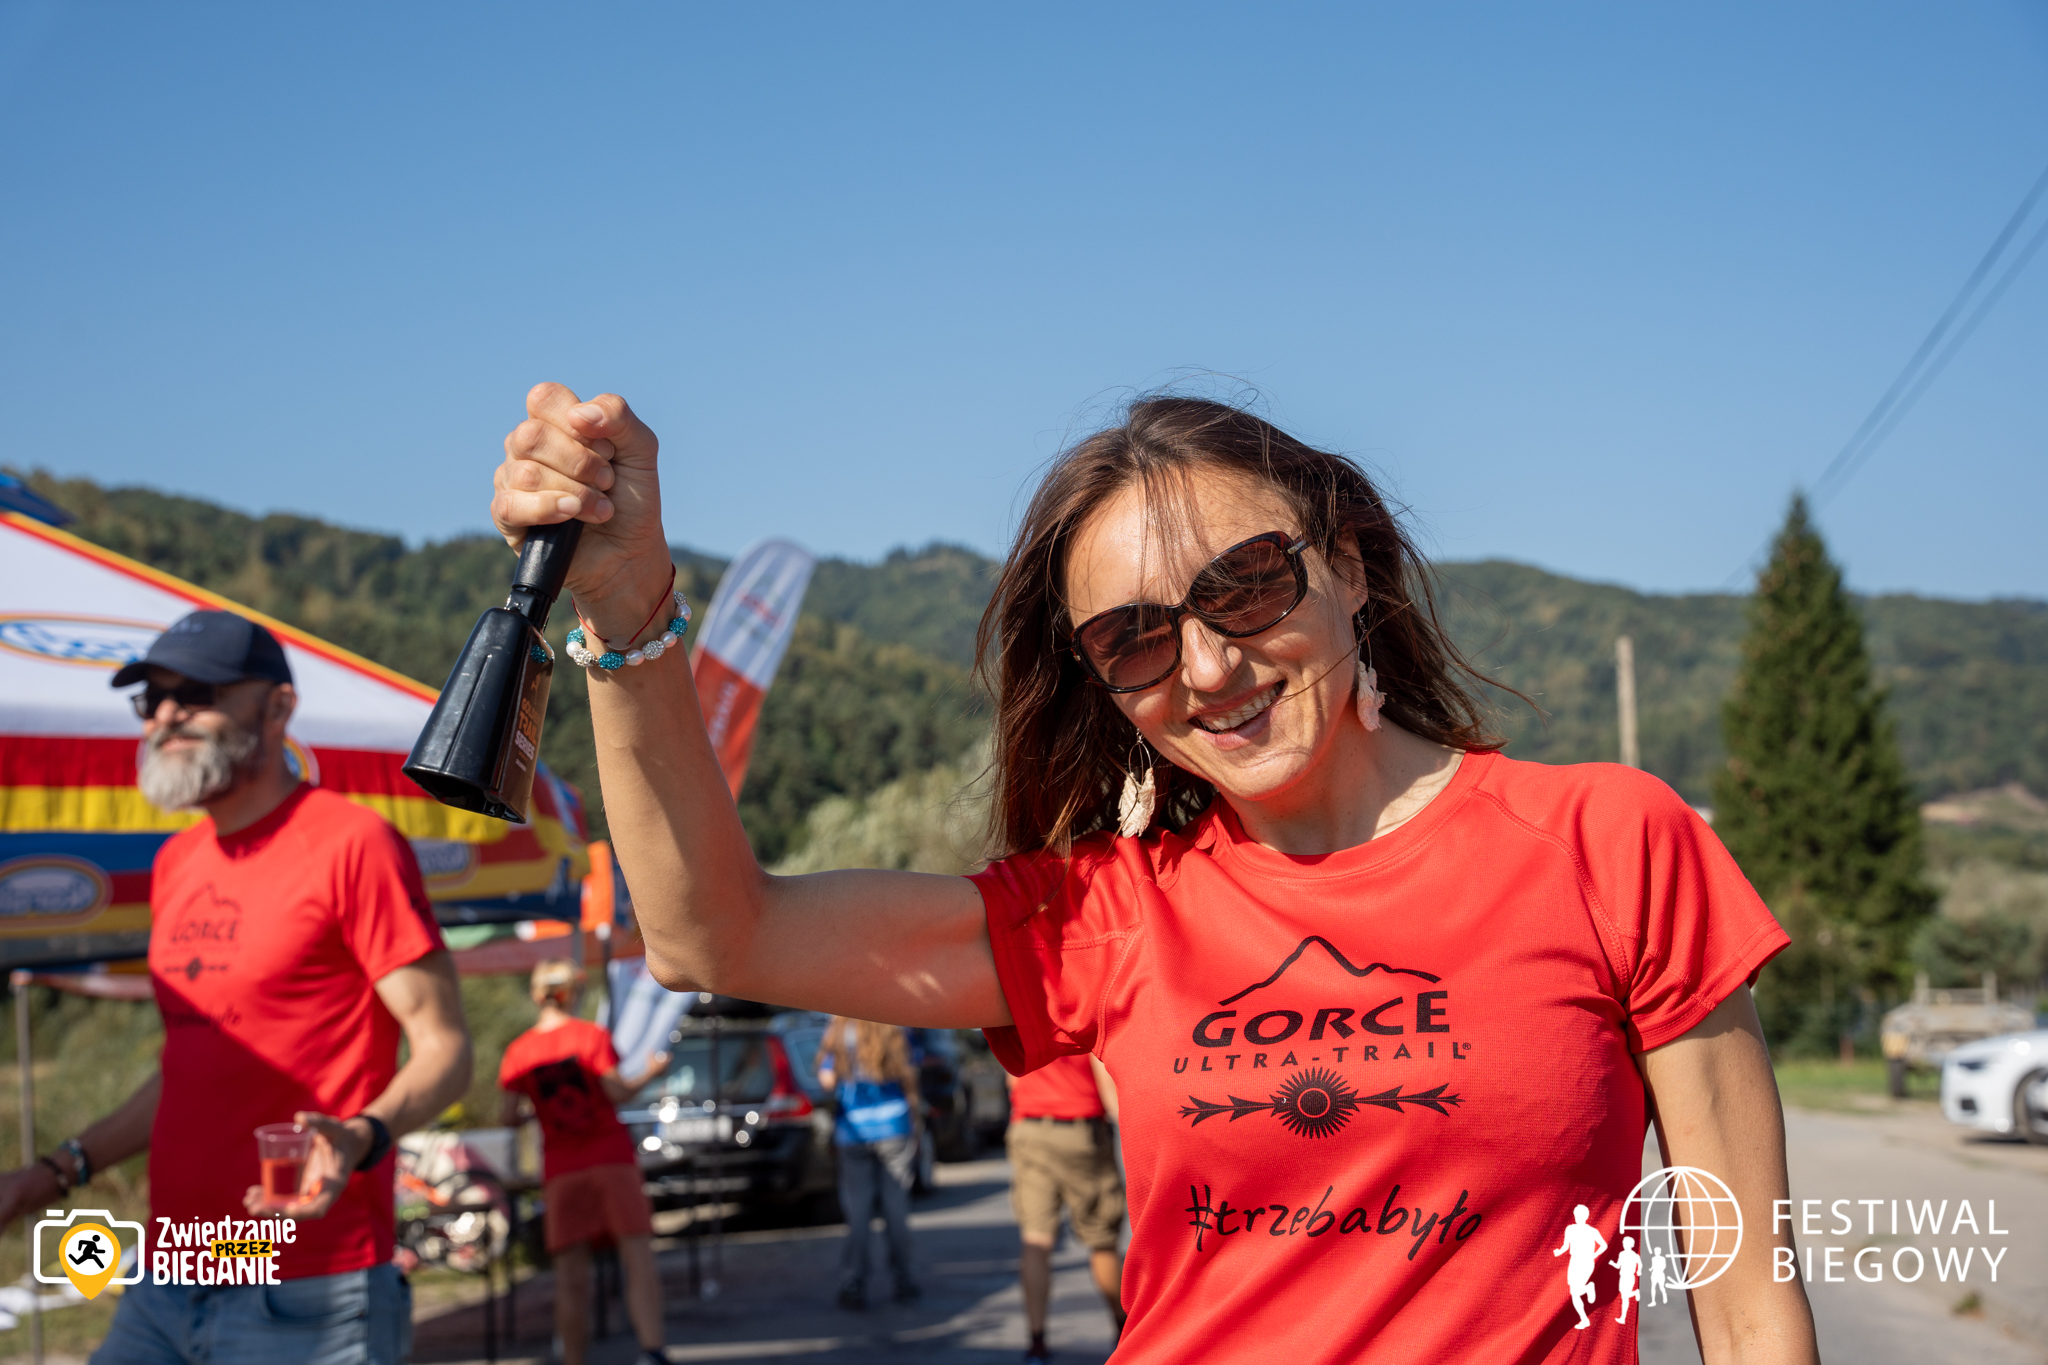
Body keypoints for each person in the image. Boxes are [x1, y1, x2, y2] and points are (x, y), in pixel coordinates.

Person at [489, 384, 1821, 1363]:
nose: (1209, 666)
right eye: (1134, 639)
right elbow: (715, 937)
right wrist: (626, 602)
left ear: (1348, 567)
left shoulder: (1608, 842)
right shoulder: (1107, 914)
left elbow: (1747, 1295)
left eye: (1247, 586)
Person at [0, 609, 473, 1365]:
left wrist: (361, 1134)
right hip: (174, 1271)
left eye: (197, 693)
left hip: (306, 1287)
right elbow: (189, 1071)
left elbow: (445, 1049)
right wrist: (54, 1173)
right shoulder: (175, 864)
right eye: (151, 697)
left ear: (278, 707)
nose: (165, 714)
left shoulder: (354, 843)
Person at [498, 960, 671, 1365]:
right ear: (572, 993)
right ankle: (652, 1351)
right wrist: (652, 1072)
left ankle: (574, 1359)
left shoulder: (519, 1051)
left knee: (570, 1278)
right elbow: (617, 1093)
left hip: (562, 1168)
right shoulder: (591, 1036)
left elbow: (507, 1116)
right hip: (610, 1158)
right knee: (637, 1259)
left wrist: (536, 1113)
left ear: (536, 996)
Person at [1005, 1053, 1125, 1363]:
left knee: (1036, 1238)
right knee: (1101, 1238)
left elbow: (1012, 1077)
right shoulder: (1082, 1023)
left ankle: (1036, 1341)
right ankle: (1122, 1327)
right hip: (1081, 1130)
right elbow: (1106, 1083)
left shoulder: (1021, 1025)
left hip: (1030, 1129)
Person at [815, 1017, 922, 1308]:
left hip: (853, 1130)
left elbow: (826, 1081)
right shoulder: (895, 1025)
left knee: (858, 1211)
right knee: (896, 1208)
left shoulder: (839, 1030)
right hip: (894, 1125)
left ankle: (855, 1281)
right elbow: (910, 1075)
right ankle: (903, 1278)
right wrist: (915, 1121)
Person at [1553, 1203, 1608, 1330]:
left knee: (1575, 1292)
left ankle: (1588, 1290)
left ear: (1586, 1216)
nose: (1578, 1217)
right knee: (1574, 1292)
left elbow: (1603, 1245)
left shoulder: (1589, 1231)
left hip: (1584, 1261)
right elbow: (1565, 1246)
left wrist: (1594, 1254)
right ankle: (1584, 1318)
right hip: (1577, 1261)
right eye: (1577, 1215)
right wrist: (1558, 1252)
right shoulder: (1572, 1229)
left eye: (1580, 1215)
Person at [1611, 1235, 1642, 1324]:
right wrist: (1612, 1263)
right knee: (1624, 1296)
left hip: (1628, 1277)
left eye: (1626, 1243)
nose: (1624, 1244)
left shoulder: (1632, 1255)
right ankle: (1623, 1317)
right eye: (1624, 1243)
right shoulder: (1623, 1254)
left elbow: (1639, 1264)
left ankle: (1623, 1317)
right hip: (1623, 1276)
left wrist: (1639, 1271)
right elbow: (1618, 1266)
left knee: (1625, 1297)